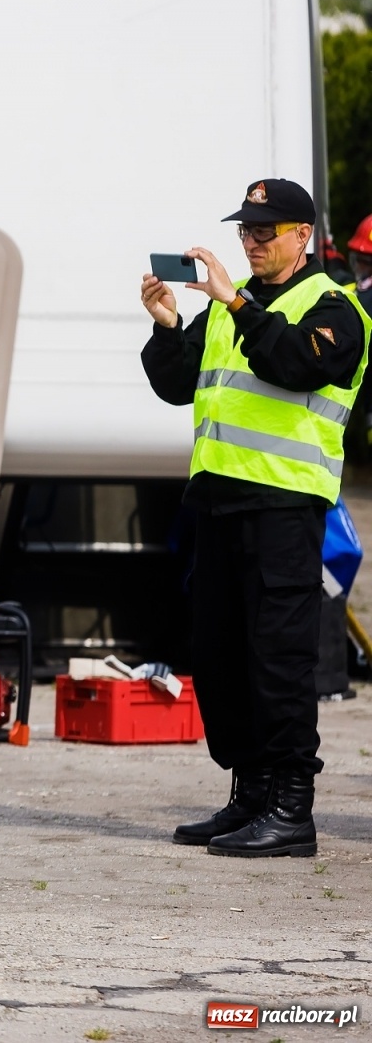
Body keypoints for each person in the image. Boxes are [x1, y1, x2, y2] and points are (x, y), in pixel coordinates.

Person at [140, 178, 370, 858]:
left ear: (303, 236)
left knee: (280, 660)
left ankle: (292, 809)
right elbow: (177, 386)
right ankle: (250, 795)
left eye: (265, 231)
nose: (251, 242)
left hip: (285, 506)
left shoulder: (335, 307)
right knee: (220, 658)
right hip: (218, 502)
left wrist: (236, 302)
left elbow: (294, 364)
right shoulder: (229, 305)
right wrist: (167, 326)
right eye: (245, 230)